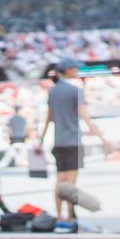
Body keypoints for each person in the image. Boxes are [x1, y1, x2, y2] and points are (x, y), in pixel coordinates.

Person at [45, 58, 104, 230]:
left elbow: (48, 117)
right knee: (70, 184)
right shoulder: (75, 91)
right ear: (68, 70)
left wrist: (41, 138)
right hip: (73, 142)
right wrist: (102, 137)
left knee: (59, 180)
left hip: (58, 142)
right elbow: (84, 116)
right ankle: (70, 218)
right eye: (75, 69)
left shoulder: (52, 91)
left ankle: (59, 217)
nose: (77, 71)